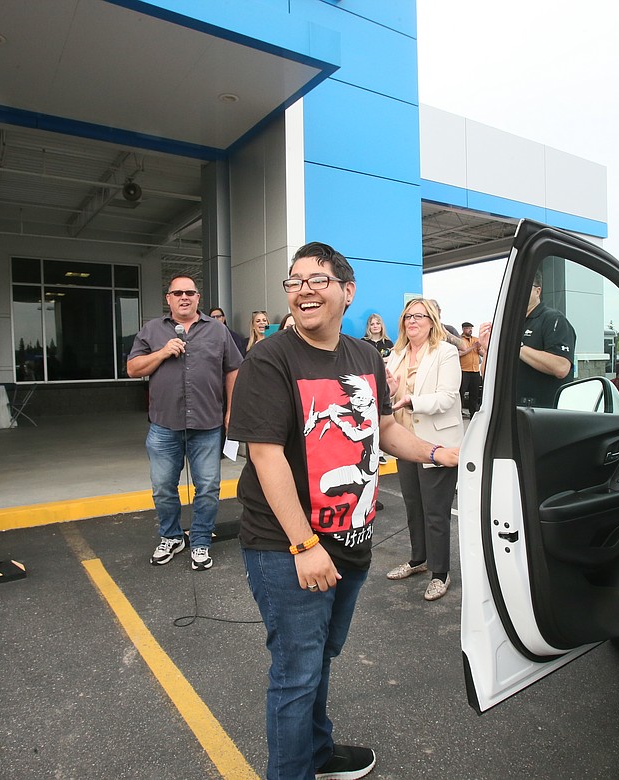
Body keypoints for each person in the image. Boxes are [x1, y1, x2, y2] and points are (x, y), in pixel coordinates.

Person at [228, 241, 459, 780]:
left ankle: (318, 753)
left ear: (346, 292)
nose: (303, 289)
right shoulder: (270, 358)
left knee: (318, 660)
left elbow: (385, 428)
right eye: (295, 281)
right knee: (295, 673)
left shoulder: (364, 356)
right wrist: (304, 545)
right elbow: (265, 456)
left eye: (317, 279)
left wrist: (437, 452)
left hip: (351, 540)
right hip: (288, 546)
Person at [127, 274, 242, 570]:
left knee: (207, 487)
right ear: (168, 298)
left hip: (207, 425)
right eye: (177, 293)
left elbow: (233, 370)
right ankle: (171, 537)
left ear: (197, 297)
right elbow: (132, 368)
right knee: (163, 487)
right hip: (164, 426)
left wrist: (232, 410)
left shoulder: (217, 330)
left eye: (189, 292)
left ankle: (201, 541)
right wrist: (163, 352)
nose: (184, 297)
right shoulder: (152, 330)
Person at [385, 299, 463, 600]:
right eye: (407, 316)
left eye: (419, 316)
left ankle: (440, 573)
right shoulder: (396, 353)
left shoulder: (445, 352)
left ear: (432, 321)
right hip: (405, 441)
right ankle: (419, 559)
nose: (412, 321)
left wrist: (412, 401)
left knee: (435, 511)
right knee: (413, 505)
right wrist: (389, 391)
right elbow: (389, 391)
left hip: (435, 442)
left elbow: (446, 397)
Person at [517, 272, 575, 407]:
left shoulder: (553, 319)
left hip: (544, 414)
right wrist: (488, 350)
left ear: (538, 291)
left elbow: (561, 367)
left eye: (525, 287)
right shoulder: (511, 324)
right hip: (513, 411)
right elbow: (487, 374)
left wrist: (518, 348)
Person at [458, 321, 484, 415]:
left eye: (471, 328)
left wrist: (481, 348)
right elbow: (459, 353)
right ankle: (458, 411)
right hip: (464, 370)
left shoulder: (475, 340)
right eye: (468, 328)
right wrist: (473, 347)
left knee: (475, 393)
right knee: (461, 392)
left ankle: (473, 413)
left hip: (475, 371)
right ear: (464, 329)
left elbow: (481, 353)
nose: (470, 330)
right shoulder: (460, 340)